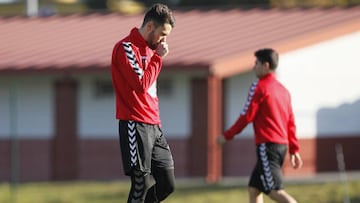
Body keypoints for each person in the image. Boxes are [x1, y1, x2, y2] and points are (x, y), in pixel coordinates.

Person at [217, 48, 303, 203]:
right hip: (281, 147)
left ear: (266, 65)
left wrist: (227, 135)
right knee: (254, 189)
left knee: (275, 190)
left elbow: (246, 115)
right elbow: (291, 122)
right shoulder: (283, 90)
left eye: (256, 63)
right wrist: (294, 150)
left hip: (267, 147)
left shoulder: (259, 87)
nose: (253, 67)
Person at [111, 3, 175, 203]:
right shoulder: (126, 48)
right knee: (142, 182)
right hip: (134, 124)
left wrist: (155, 57)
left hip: (154, 126)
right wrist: (158, 59)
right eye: (162, 34)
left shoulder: (151, 50)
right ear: (150, 27)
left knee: (167, 184)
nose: (164, 40)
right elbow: (141, 84)